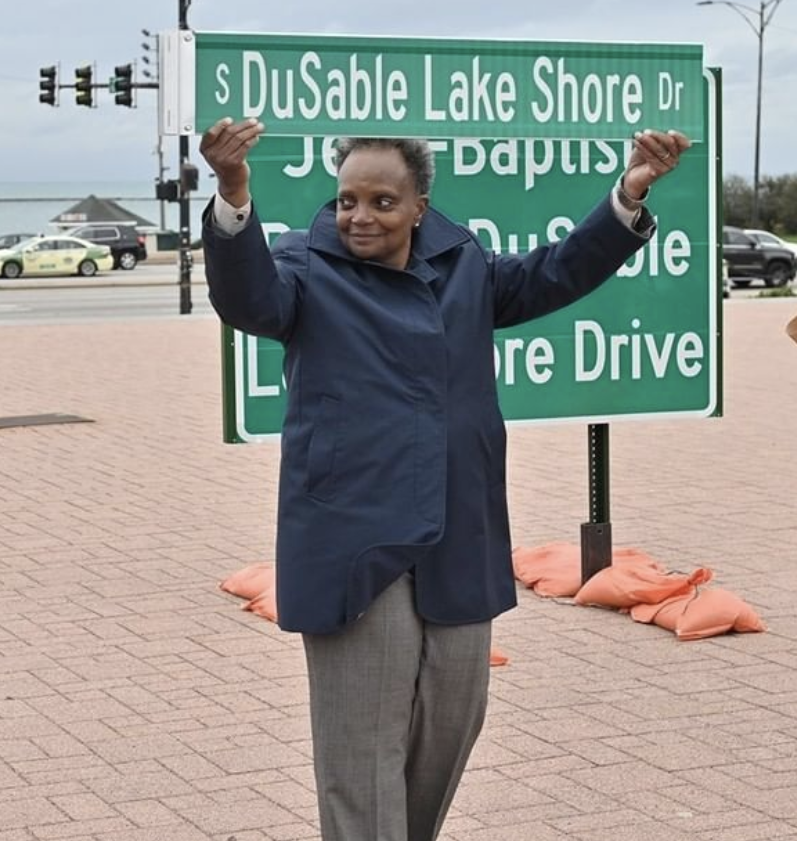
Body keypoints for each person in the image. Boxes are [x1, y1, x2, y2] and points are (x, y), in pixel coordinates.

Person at [199, 118, 690, 841]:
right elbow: (248, 301)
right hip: (355, 535)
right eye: (347, 201)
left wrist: (629, 192)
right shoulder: (304, 268)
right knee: (362, 751)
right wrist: (233, 191)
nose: (360, 217)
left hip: (459, 527)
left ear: (419, 207)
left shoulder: (466, 269)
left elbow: (559, 270)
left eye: (381, 202)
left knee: (451, 727)